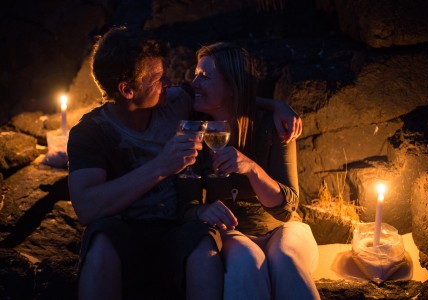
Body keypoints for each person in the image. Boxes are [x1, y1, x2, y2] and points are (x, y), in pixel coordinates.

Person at [67, 26, 303, 300]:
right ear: (127, 90)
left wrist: (277, 107)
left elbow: (228, 95)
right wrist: (160, 166)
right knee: (101, 242)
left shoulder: (174, 103)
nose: (169, 82)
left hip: (178, 226)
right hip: (125, 228)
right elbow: (86, 207)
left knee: (203, 243)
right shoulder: (91, 132)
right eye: (157, 78)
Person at [178, 42, 320, 300]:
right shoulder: (194, 130)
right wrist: (202, 209)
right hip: (232, 232)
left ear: (232, 85)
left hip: (283, 228)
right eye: (196, 74)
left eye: (205, 77)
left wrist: (252, 169)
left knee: (287, 259)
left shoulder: (272, 126)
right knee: (246, 262)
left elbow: (286, 208)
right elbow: (186, 205)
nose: (194, 83)